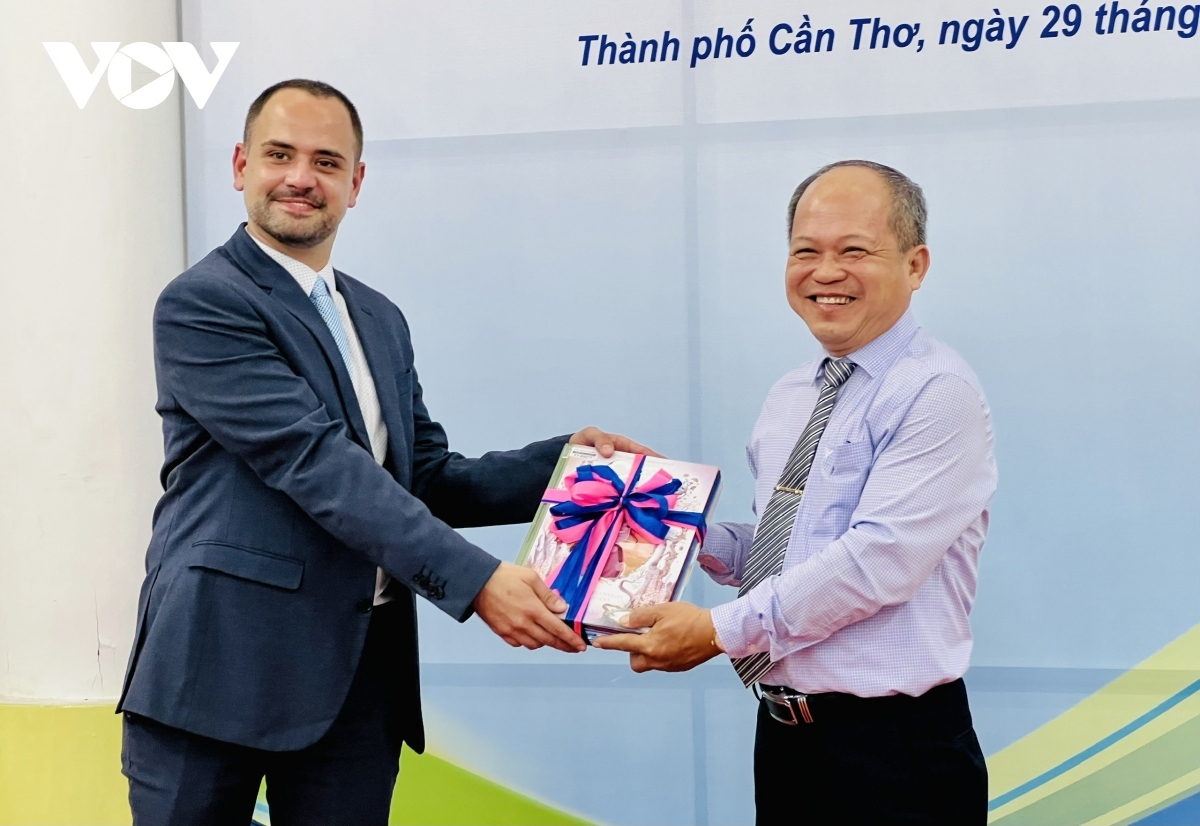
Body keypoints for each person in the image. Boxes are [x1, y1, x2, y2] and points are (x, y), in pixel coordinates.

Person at [116, 78, 650, 826]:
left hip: (357, 684)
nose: (302, 177)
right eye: (279, 155)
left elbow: (423, 477)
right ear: (240, 165)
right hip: (217, 673)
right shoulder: (203, 302)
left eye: (327, 162)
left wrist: (564, 465)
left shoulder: (379, 318)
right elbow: (314, 462)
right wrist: (478, 583)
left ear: (355, 184)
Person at [596, 160, 997, 824]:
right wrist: (670, 518)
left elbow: (876, 561)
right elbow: (793, 548)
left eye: (854, 251)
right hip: (786, 742)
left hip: (895, 754)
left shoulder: (937, 391)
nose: (825, 271)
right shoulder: (792, 396)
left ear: (916, 265)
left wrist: (717, 632)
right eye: (805, 251)